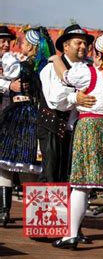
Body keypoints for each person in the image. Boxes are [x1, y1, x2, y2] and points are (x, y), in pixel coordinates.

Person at [51, 31, 103, 250]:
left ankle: (71, 235)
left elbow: (65, 76)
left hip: (92, 128)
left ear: (99, 55)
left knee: (81, 185)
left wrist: (56, 59)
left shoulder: (88, 73)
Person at [0, 27, 50, 226]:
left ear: (31, 46)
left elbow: (12, 70)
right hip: (27, 115)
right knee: (25, 165)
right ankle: (33, 216)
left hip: (19, 115)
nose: (10, 44)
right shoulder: (44, 65)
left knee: (9, 163)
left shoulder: (23, 65)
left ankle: (5, 213)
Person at [38, 24, 96, 183]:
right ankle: (48, 207)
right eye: (79, 42)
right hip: (53, 127)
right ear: (66, 46)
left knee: (73, 176)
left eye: (85, 43)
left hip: (78, 130)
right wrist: (76, 98)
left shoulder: (89, 69)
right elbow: (55, 100)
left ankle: (71, 207)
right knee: (51, 174)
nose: (84, 46)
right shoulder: (50, 69)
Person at [0, 25, 22, 112]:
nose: (7, 45)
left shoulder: (12, 60)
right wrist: (10, 85)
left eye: (8, 42)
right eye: (3, 41)